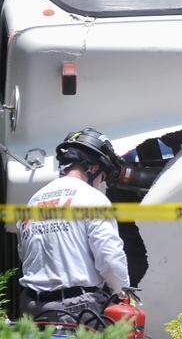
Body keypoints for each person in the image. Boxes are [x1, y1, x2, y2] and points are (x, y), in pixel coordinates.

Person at [19, 127, 128, 323]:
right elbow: (110, 257)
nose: (100, 182)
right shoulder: (93, 199)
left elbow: (25, 253)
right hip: (77, 308)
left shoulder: (33, 201)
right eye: (102, 176)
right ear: (94, 168)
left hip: (32, 307)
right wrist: (121, 291)